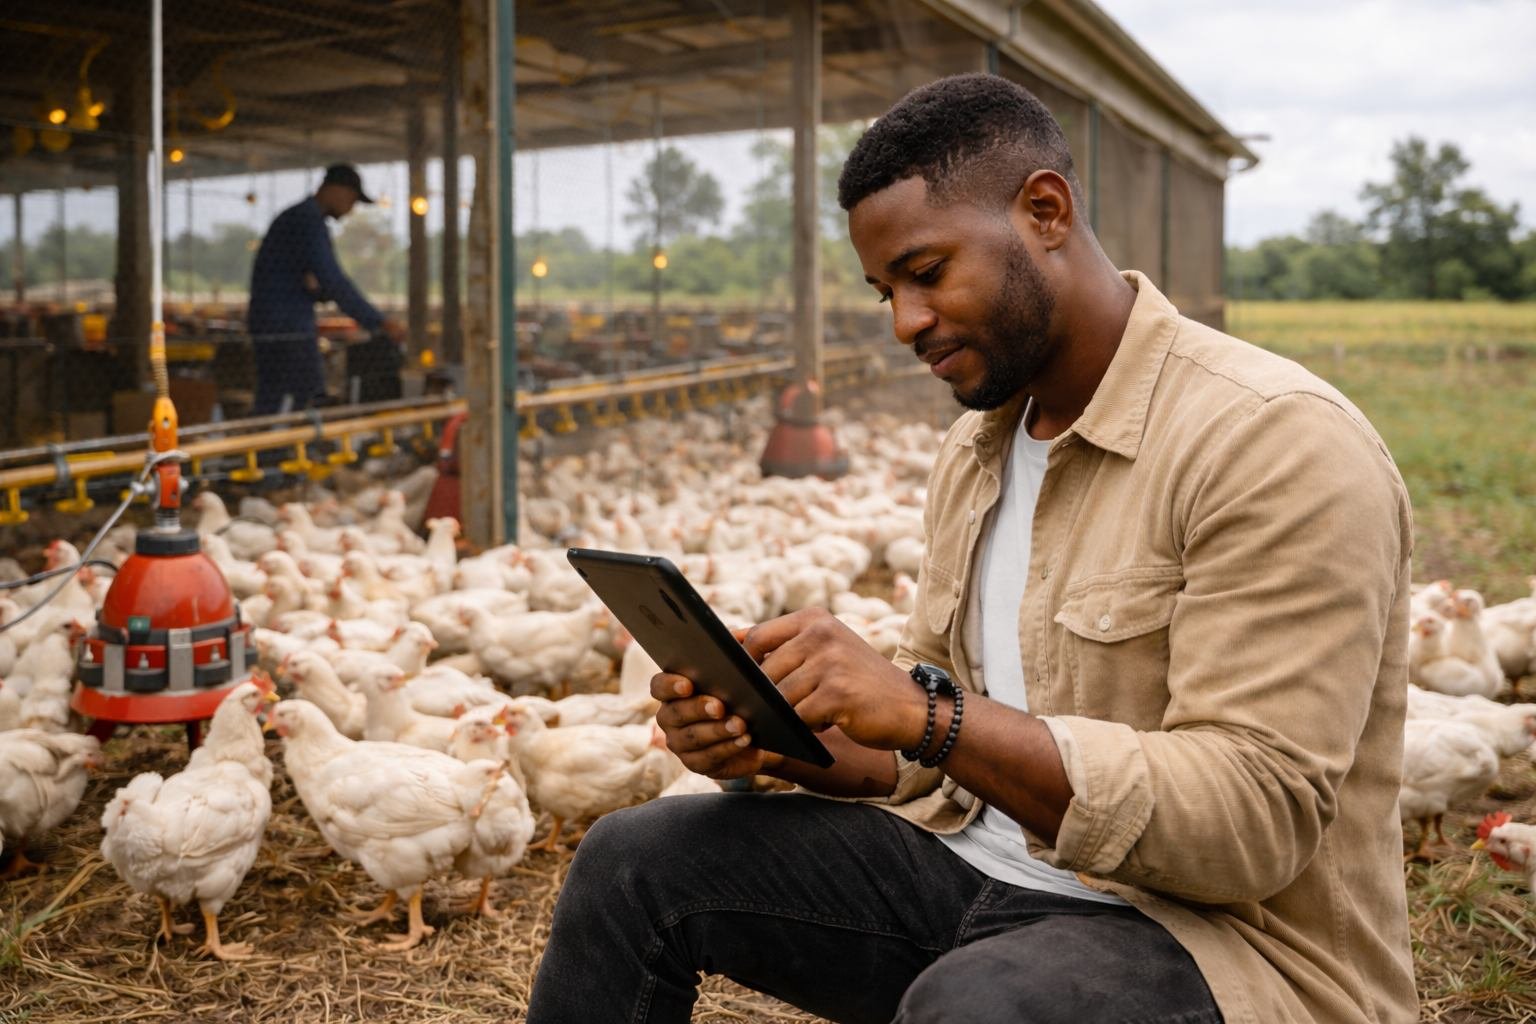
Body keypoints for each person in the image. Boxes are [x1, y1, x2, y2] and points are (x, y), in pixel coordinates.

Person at [527, 73, 1416, 1024]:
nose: (906, 321)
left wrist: (927, 712)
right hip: (978, 879)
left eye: (927, 271)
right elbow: (925, 754)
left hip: (1214, 940)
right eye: (885, 293)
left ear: (1044, 210)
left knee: (983, 1005)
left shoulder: (1271, 440)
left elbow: (1252, 823)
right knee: (634, 862)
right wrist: (779, 742)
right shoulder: (981, 447)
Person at [246, 163, 401, 414]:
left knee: (275, 395)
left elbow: (319, 281)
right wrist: (378, 322)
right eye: (351, 200)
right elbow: (332, 278)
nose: (350, 209)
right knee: (309, 395)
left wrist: (318, 289)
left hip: (274, 321)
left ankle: (269, 449)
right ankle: (282, 451)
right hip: (288, 326)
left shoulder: (297, 218)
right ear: (336, 190)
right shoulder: (307, 220)